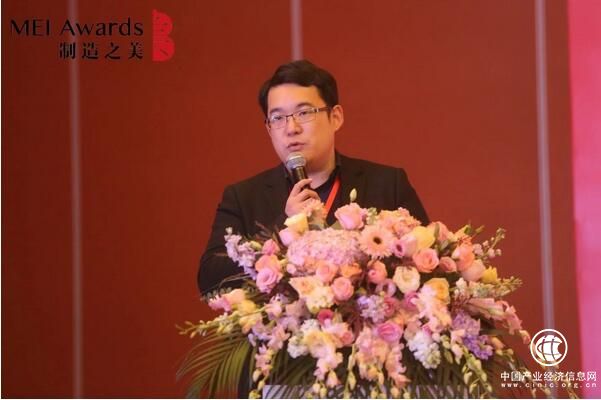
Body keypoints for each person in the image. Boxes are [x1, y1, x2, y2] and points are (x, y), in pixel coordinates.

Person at [198, 59, 429, 297]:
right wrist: (282, 229)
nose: (291, 128)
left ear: (335, 117)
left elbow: (428, 263)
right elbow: (210, 280)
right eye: (278, 118)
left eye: (304, 113)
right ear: (269, 129)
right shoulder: (243, 197)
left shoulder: (387, 184)